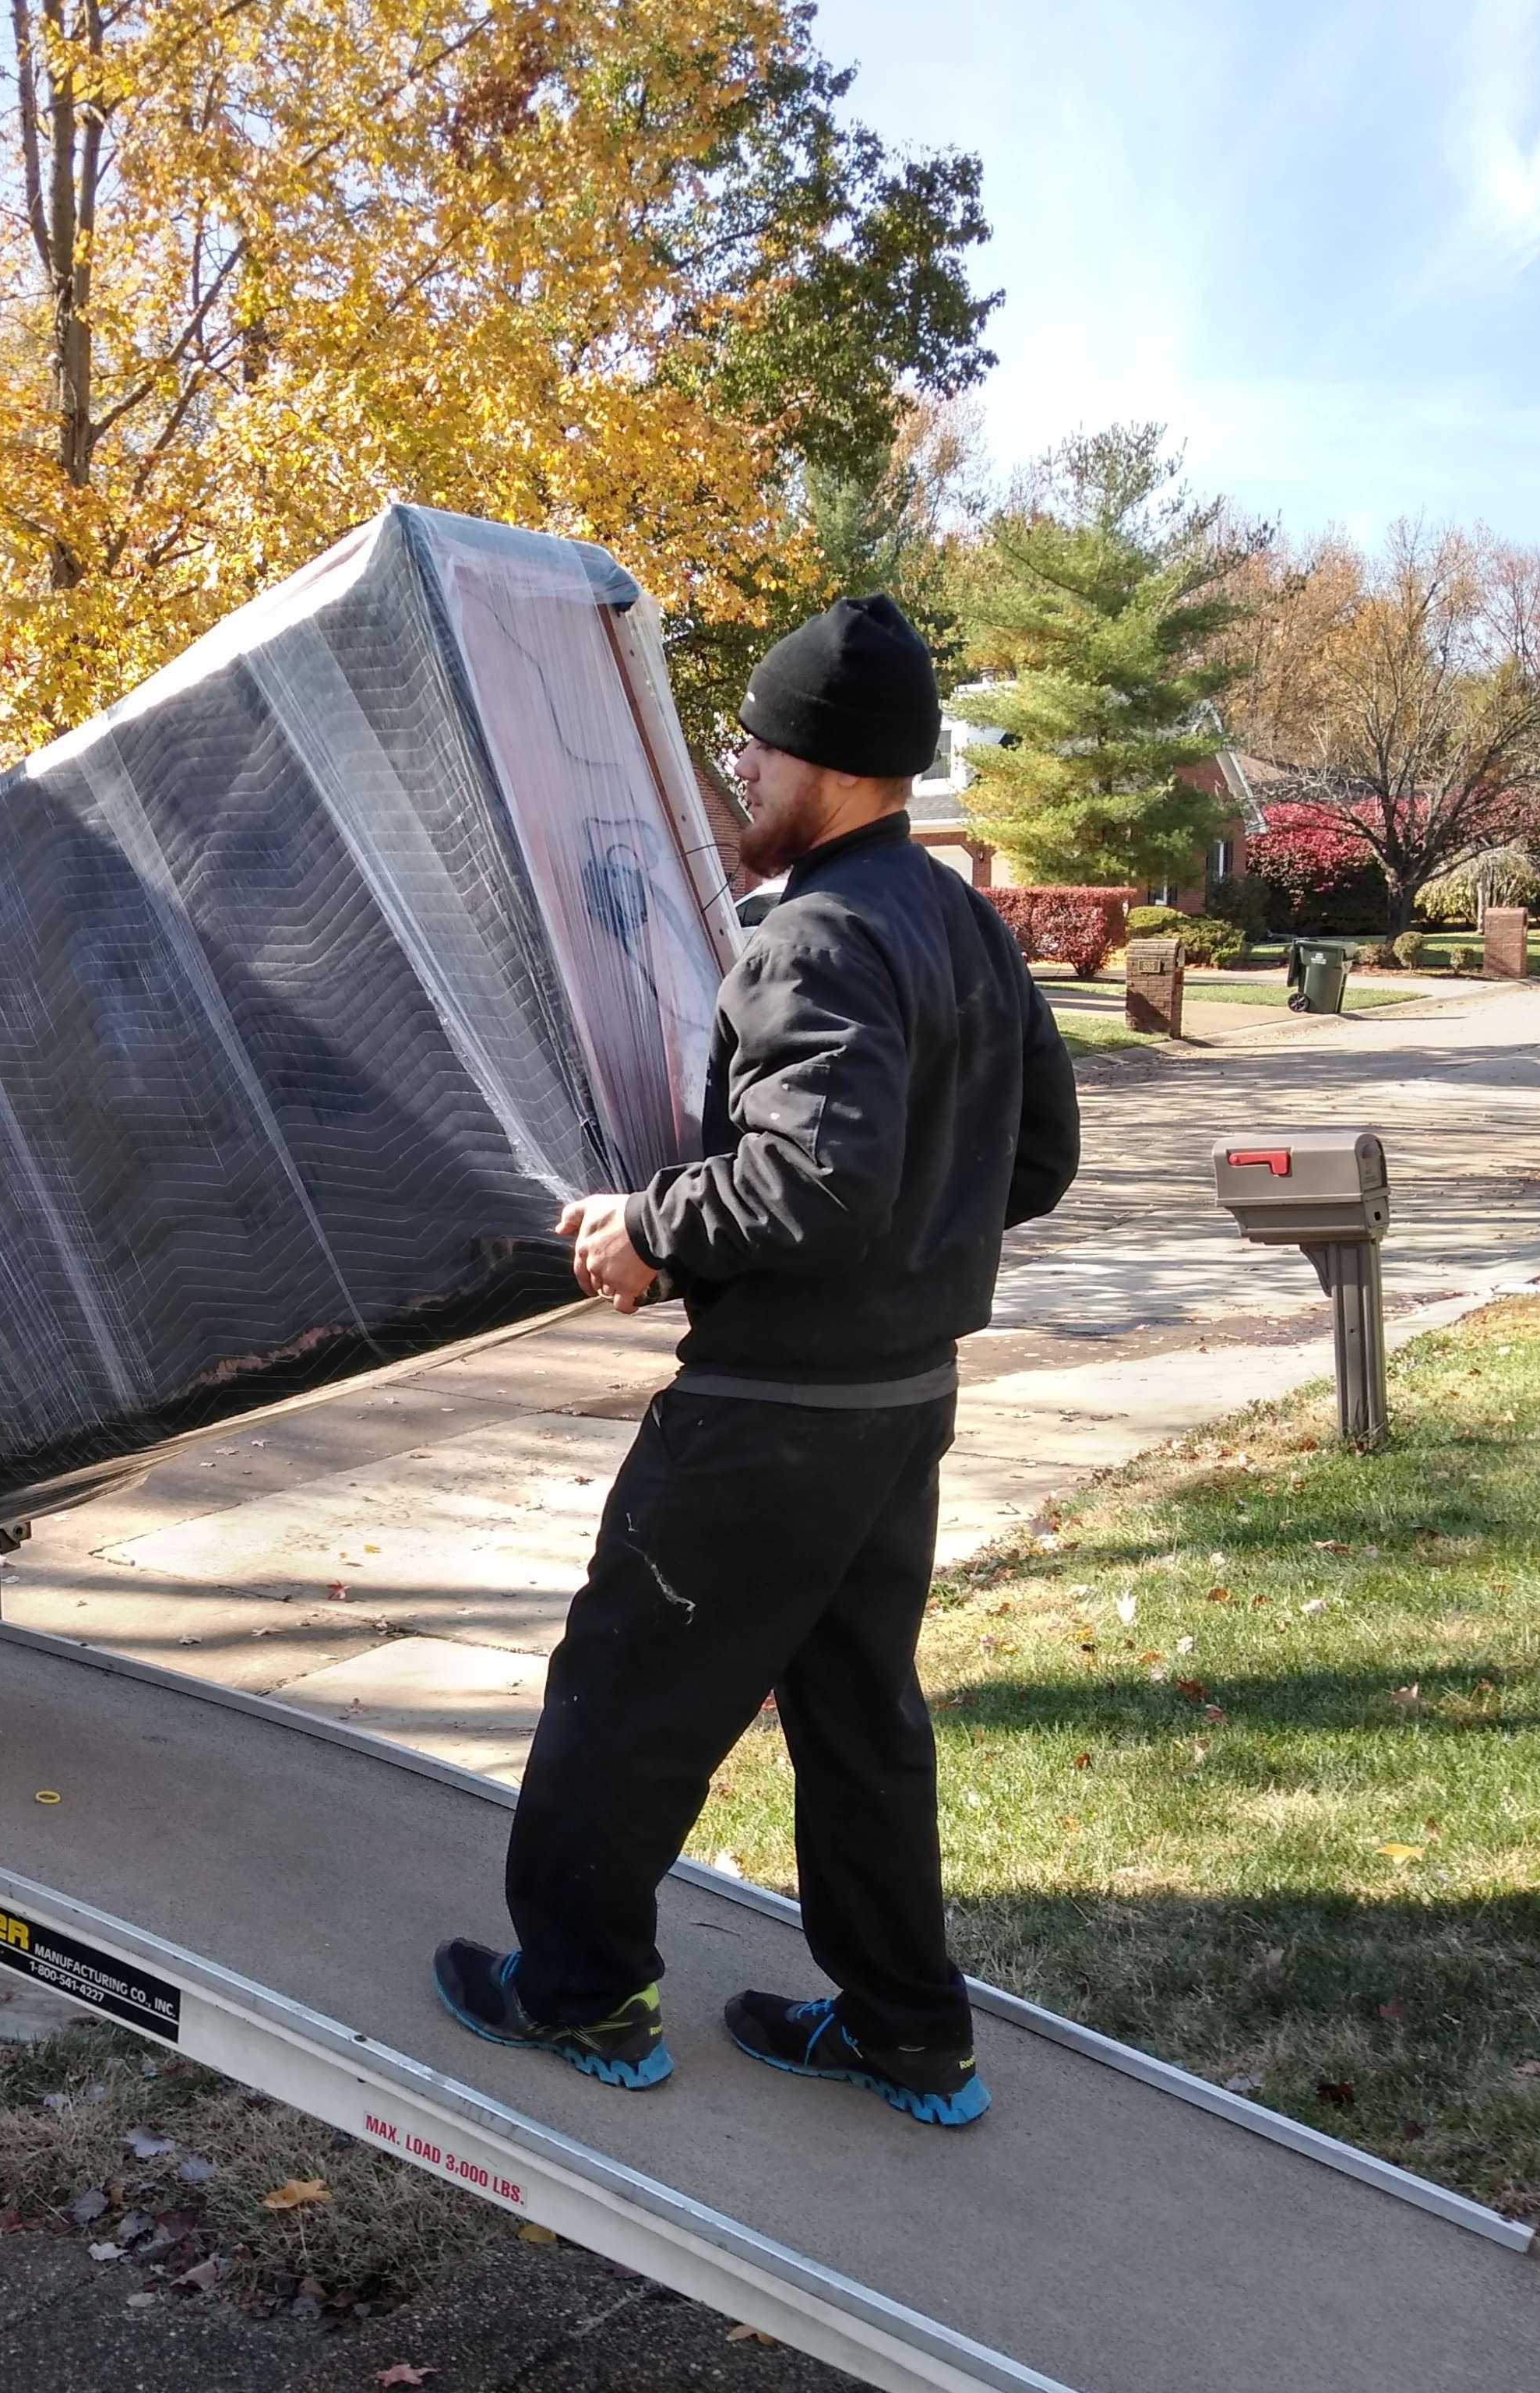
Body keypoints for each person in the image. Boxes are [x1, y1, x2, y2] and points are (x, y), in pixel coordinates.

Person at [434, 595, 1080, 2126]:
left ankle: (577, 1997)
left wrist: (655, 1228)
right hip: (895, 1399)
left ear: (824, 764)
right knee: (860, 1725)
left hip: (771, 1413)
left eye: (753, 745)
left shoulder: (817, 936)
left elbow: (812, 1178)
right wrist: (911, 1251)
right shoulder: (959, 924)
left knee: (624, 1692)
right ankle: (905, 2027)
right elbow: (1037, 1157)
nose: (737, 769)